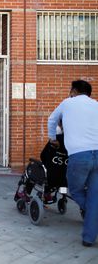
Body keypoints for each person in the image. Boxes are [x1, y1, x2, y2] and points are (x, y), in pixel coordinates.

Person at [48, 80, 98, 247]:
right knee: (94, 196)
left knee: (75, 190)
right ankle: (88, 238)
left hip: (80, 155)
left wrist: (53, 138)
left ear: (74, 91)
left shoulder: (67, 103)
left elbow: (52, 120)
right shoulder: (96, 105)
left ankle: (93, 215)